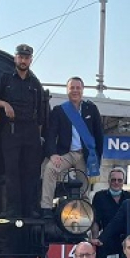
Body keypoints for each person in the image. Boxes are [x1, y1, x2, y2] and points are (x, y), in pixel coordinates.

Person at [0, 43, 46, 217]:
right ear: (15, 58)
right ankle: (13, 209)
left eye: (26, 58)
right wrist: (4, 104)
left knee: (31, 171)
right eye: (20, 57)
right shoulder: (5, 78)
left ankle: (30, 208)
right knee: (12, 171)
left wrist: (38, 135)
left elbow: (41, 112)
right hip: (11, 130)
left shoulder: (35, 83)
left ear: (30, 60)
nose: (23, 60)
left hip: (31, 131)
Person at [40, 76, 103, 216]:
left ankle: (85, 214)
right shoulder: (59, 110)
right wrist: (52, 154)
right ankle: (46, 207)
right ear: (67, 90)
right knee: (50, 168)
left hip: (85, 155)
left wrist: (97, 158)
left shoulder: (91, 109)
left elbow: (99, 136)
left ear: (82, 90)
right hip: (66, 154)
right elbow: (50, 135)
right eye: (72, 88)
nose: (75, 91)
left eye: (78, 88)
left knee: (85, 188)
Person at [90, 167, 130, 258]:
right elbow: (95, 221)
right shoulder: (99, 196)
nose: (116, 183)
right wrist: (96, 239)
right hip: (106, 241)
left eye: (119, 180)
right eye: (113, 180)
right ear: (109, 181)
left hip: (126, 242)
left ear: (123, 182)